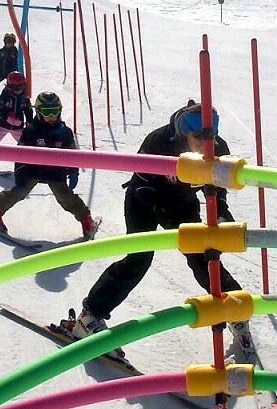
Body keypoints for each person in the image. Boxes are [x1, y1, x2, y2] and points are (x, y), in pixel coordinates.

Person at [61, 101, 252, 353]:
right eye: (198, 138)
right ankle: (90, 316)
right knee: (139, 259)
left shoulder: (216, 147)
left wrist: (222, 209)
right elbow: (141, 184)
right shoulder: (159, 141)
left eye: (211, 137)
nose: (205, 144)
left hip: (181, 204)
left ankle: (233, 308)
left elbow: (217, 184)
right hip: (144, 201)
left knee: (202, 255)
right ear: (185, 131)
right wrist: (157, 209)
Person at [0, 92, 97, 237]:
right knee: (18, 192)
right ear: (39, 112)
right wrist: (20, 174)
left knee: (65, 196)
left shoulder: (64, 132)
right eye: (47, 112)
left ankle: (86, 220)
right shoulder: (31, 130)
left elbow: (72, 154)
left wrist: (73, 171)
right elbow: (20, 153)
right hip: (33, 169)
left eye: (55, 111)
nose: (52, 116)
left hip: (55, 171)